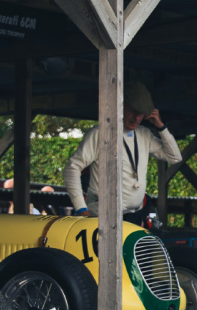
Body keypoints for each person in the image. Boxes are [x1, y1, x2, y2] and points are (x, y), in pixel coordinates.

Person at [63, 80, 181, 217]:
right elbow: (72, 168)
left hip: (136, 214)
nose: (136, 118)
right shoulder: (99, 134)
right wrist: (81, 208)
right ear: (120, 106)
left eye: (141, 113)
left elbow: (175, 157)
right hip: (105, 215)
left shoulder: (144, 135)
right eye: (132, 111)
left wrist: (161, 126)